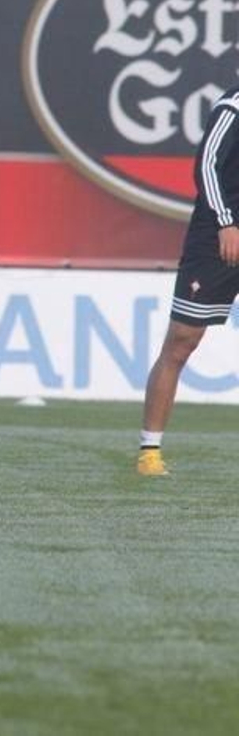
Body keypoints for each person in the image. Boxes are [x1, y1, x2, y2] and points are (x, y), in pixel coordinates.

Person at [136, 86, 239, 476]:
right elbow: (206, 166)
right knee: (181, 341)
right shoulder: (232, 106)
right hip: (219, 239)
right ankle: (149, 451)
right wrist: (226, 223)